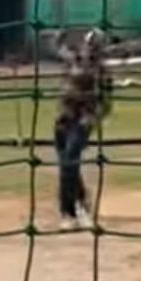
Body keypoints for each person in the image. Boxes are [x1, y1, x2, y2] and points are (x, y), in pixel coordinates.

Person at [54, 29, 113, 230]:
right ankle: (79, 203)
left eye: (95, 46)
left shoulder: (101, 71)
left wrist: (92, 118)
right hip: (63, 118)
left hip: (82, 121)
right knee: (67, 165)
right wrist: (60, 36)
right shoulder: (73, 59)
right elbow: (58, 48)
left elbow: (106, 103)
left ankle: (70, 212)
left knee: (69, 160)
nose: (90, 49)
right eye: (89, 44)